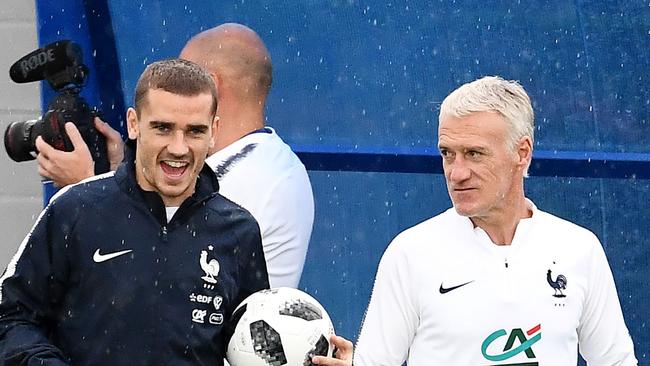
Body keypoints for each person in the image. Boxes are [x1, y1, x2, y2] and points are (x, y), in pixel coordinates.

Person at [351, 76, 638, 365]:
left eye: (474, 154)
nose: (457, 173)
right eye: (448, 154)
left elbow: (616, 361)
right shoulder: (410, 253)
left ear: (522, 153)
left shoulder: (579, 249)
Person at [0, 59, 269, 365]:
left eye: (194, 131)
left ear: (213, 131)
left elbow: (263, 348)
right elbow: (11, 317)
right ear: (133, 123)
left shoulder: (239, 231)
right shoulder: (74, 209)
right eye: (163, 128)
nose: (178, 148)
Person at [36, 23, 314, 289]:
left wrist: (83, 190)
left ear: (211, 87)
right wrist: (116, 173)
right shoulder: (265, 162)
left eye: (185, 78)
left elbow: (155, 277)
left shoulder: (252, 180)